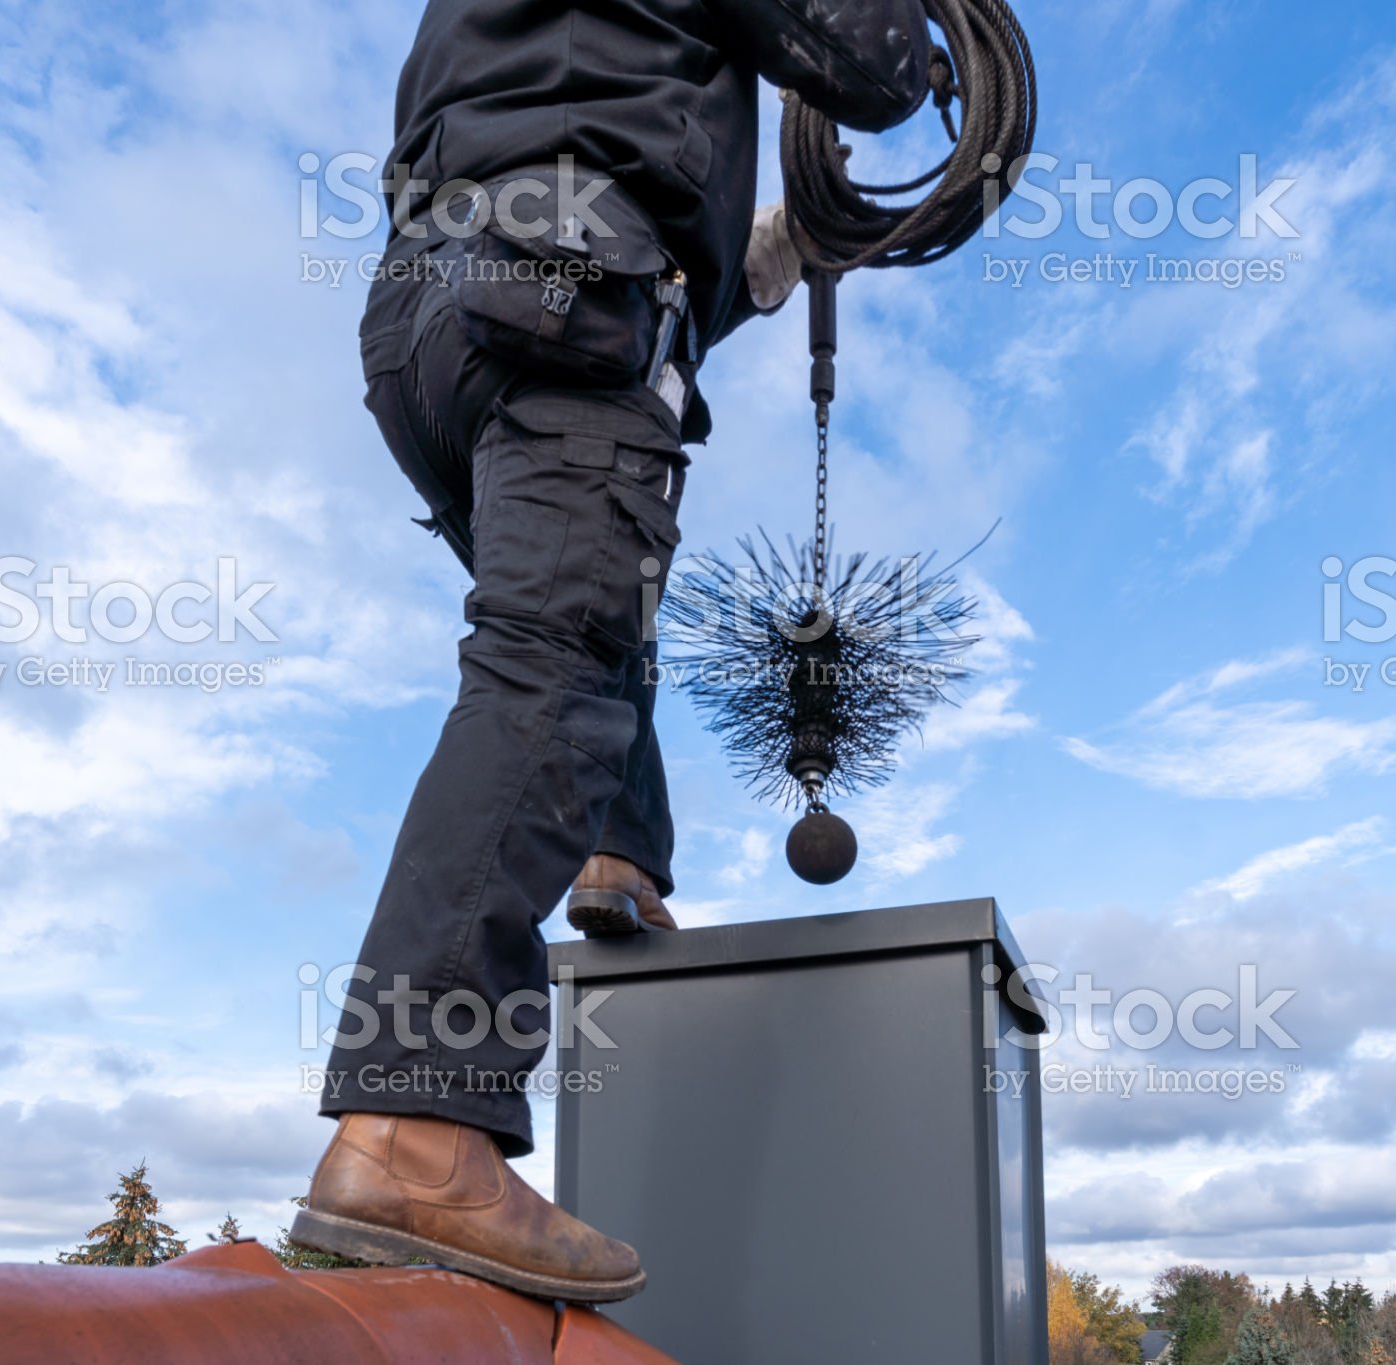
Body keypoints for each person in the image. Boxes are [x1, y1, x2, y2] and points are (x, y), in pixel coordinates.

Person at [291, 0, 932, 1304]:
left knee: (585, 613)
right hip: (562, 286)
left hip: (434, 315)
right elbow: (870, 63)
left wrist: (753, 260)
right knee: (557, 661)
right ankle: (416, 1121)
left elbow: (579, 143)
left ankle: (617, 852)